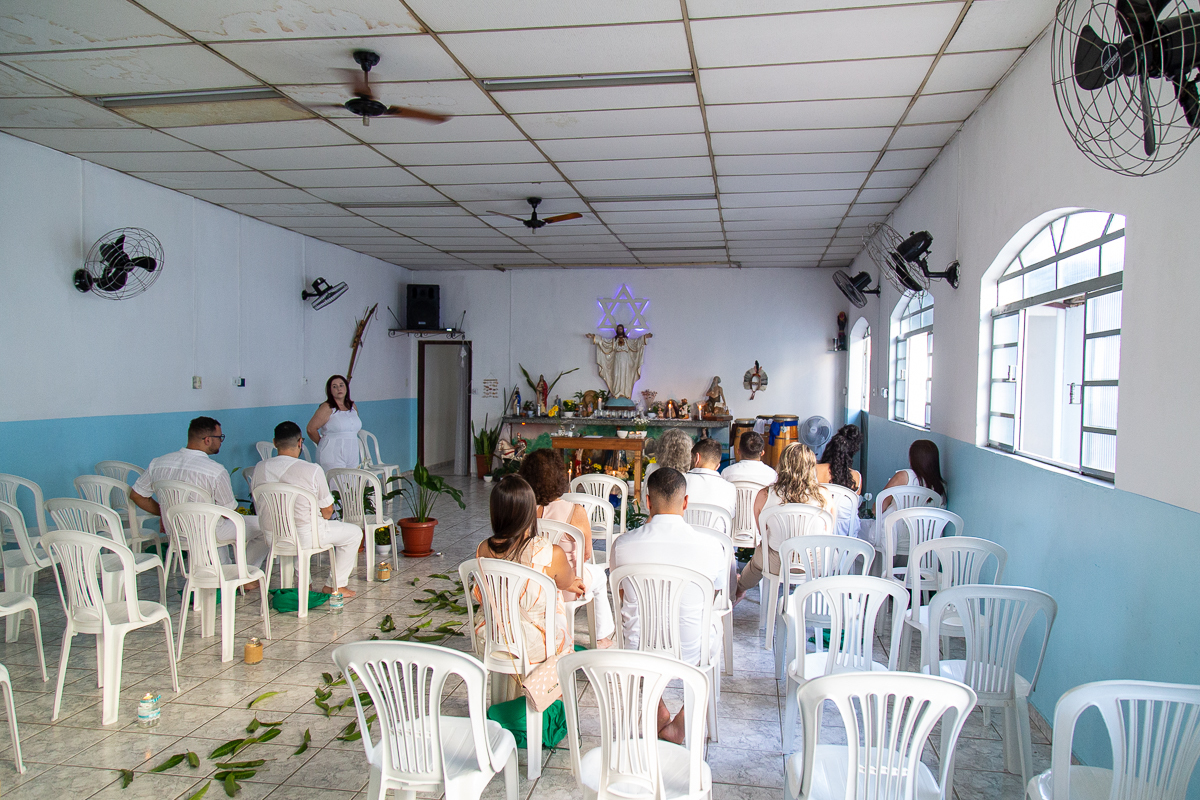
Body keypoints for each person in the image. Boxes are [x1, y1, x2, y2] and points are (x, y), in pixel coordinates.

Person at [610, 467, 726, 743]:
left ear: (647, 502)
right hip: (693, 650)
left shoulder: (623, 544)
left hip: (639, 648)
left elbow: (623, 593)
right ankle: (685, 719)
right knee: (712, 624)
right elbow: (714, 595)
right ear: (686, 503)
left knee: (637, 622)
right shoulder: (711, 547)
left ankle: (657, 707)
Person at [130, 416, 269, 570]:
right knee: (266, 525)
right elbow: (229, 512)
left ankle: (224, 568)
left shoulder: (158, 463)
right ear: (208, 440)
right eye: (220, 437)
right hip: (208, 532)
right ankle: (246, 571)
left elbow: (137, 495)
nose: (221, 441)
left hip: (176, 531)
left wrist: (167, 513)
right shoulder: (214, 470)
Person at [474, 476, 585, 666]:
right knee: (555, 593)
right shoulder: (550, 552)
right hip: (534, 643)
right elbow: (566, 582)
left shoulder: (484, 548)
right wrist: (570, 581)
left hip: (491, 636)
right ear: (530, 511)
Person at [252, 421, 363, 597]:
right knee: (354, 533)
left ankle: (305, 583)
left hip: (272, 535)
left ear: (274, 443)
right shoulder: (311, 469)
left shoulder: (260, 468)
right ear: (300, 442)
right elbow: (327, 511)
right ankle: (336, 585)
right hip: (305, 537)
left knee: (298, 526)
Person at [519, 449, 616, 647]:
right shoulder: (576, 511)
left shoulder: (524, 510)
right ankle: (602, 636)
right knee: (599, 576)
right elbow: (586, 554)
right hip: (570, 586)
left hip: (532, 587)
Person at [735, 443, 836, 601]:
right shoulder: (824, 495)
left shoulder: (765, 494)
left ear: (782, 464)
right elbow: (828, 531)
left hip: (776, 563)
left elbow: (762, 532)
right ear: (811, 466)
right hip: (815, 564)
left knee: (760, 556)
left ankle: (739, 588)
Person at [816, 425, 863, 538]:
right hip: (846, 533)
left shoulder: (814, 470)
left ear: (829, 448)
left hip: (819, 527)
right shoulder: (856, 477)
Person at [307, 375, 362, 471]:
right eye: (334, 386)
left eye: (341, 385)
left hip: (352, 452)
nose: (339, 389)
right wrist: (322, 443)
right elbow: (311, 429)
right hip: (332, 453)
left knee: (352, 483)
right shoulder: (327, 407)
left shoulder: (352, 406)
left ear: (346, 388)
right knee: (336, 484)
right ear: (330, 390)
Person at [880, 439, 946, 512]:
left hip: (891, 523)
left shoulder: (903, 476)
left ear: (912, 458)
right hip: (925, 524)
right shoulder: (942, 487)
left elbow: (877, 509)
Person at [685, 437, 737, 520]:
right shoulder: (730, 488)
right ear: (717, 466)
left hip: (685, 532)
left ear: (697, 458)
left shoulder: (681, 481)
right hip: (717, 533)